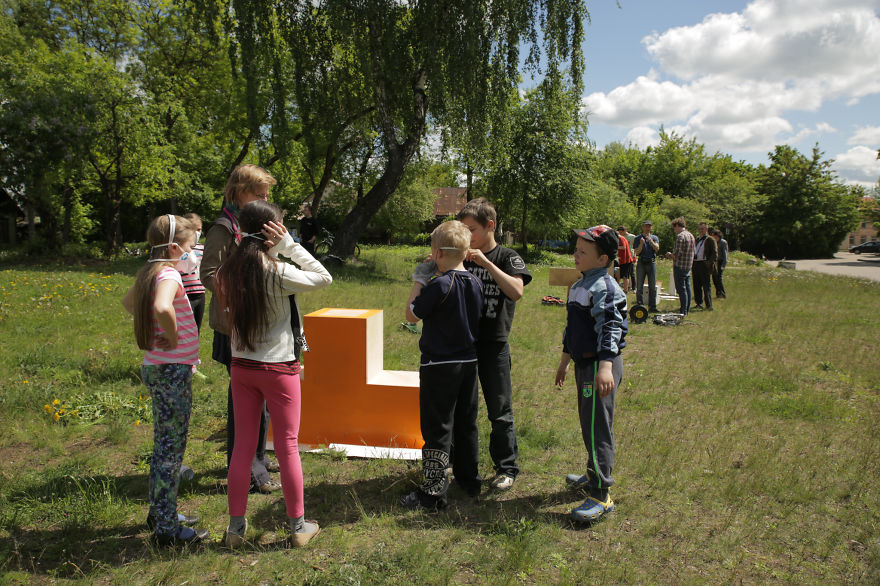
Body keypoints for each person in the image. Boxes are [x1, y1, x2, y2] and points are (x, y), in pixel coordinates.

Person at [218, 200, 332, 547]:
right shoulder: (277, 272)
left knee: (241, 446)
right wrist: (290, 246)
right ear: (274, 229)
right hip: (279, 368)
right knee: (287, 446)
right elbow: (324, 277)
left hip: (241, 368)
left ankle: (235, 530)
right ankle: (298, 528)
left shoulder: (228, 271)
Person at [122, 214, 209, 546]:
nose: (191, 254)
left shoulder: (148, 272)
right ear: (174, 247)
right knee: (171, 451)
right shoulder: (170, 272)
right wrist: (171, 337)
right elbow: (161, 306)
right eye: (188, 248)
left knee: (164, 447)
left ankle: (160, 512)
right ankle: (168, 529)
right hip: (172, 369)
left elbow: (129, 303)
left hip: (158, 368)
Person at [200, 164, 281, 494]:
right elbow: (209, 274)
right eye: (258, 194)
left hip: (257, 323)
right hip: (234, 326)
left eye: (266, 194)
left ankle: (257, 458)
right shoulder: (223, 228)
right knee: (245, 401)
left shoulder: (254, 225)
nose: (264, 199)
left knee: (259, 397)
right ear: (238, 192)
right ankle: (247, 470)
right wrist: (245, 287)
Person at [400, 220, 484, 511]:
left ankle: (433, 493)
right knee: (465, 421)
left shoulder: (439, 285)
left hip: (440, 364)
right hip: (469, 362)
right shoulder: (475, 281)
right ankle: (469, 479)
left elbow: (412, 315)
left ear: (436, 253)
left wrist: (419, 280)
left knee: (437, 426)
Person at [457, 198, 532, 491]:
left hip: (493, 345)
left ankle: (506, 467)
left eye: (471, 229)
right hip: (462, 344)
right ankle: (459, 463)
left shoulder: (507, 257)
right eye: (462, 229)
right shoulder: (460, 256)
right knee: (460, 409)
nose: (466, 236)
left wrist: (485, 262)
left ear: (490, 226)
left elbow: (516, 291)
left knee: (500, 410)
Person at [554, 225, 627, 523]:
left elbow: (610, 327)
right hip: (584, 365)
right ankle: (592, 473)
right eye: (576, 250)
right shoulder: (580, 285)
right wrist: (564, 360)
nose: (575, 255)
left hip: (600, 366)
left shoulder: (605, 288)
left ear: (603, 259)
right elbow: (574, 329)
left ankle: (600, 494)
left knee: (598, 426)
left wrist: (606, 365)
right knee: (589, 421)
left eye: (583, 252)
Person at [665, 217, 695, 315]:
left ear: (677, 226)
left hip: (680, 265)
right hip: (688, 266)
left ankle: (683, 310)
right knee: (687, 287)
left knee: (681, 289)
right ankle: (687, 308)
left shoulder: (680, 236)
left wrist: (670, 255)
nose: (674, 230)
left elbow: (677, 254)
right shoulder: (691, 235)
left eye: (674, 228)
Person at [632, 220, 660, 312]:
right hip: (641, 262)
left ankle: (652, 307)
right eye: (645, 226)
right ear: (643, 227)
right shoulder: (638, 238)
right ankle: (640, 306)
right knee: (639, 285)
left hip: (651, 262)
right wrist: (641, 244)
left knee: (652, 286)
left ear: (651, 227)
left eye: (649, 226)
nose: (647, 228)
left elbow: (657, 249)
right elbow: (636, 252)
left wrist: (651, 241)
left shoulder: (654, 237)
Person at [691, 222, 717, 311]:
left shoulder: (710, 239)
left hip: (704, 264)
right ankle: (699, 303)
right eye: (699, 229)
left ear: (706, 229)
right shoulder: (697, 239)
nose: (701, 230)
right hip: (696, 263)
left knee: (706, 285)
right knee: (696, 285)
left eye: (702, 229)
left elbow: (714, 253)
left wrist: (709, 263)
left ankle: (709, 305)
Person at [616, 226, 635, 294]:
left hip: (626, 259)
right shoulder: (621, 238)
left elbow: (623, 247)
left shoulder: (621, 238)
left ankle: (626, 290)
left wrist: (615, 247)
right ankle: (625, 288)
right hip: (623, 259)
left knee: (625, 275)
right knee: (622, 274)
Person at [711, 229, 728, 299]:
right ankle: (718, 293)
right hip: (715, 262)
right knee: (714, 278)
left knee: (719, 278)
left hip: (720, 262)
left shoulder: (723, 242)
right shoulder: (714, 242)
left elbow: (725, 254)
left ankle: (722, 293)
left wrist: (723, 265)